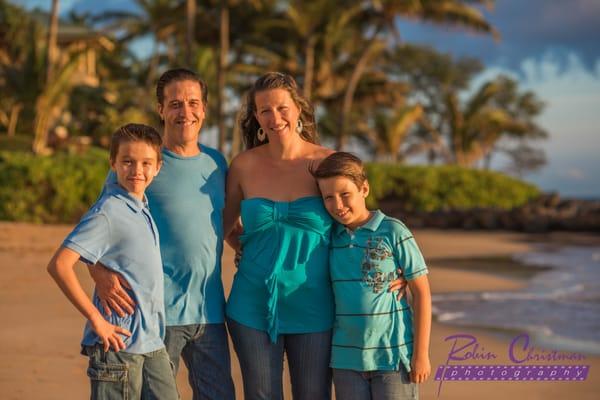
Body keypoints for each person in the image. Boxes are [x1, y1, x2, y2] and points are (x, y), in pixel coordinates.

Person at [89, 69, 235, 400]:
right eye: (175, 103)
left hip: (210, 312)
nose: (186, 112)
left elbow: (218, 225)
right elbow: (99, 231)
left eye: (193, 103)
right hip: (156, 315)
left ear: (205, 108)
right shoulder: (143, 164)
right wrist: (98, 272)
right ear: (161, 109)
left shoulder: (216, 163)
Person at [222, 72, 335, 399]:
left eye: (282, 108)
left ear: (298, 109)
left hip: (315, 304)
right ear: (256, 117)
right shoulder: (243, 165)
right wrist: (246, 248)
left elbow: (357, 223)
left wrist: (388, 267)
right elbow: (223, 226)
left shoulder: (327, 163)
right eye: (265, 110)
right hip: (251, 304)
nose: (275, 117)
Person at [47, 124, 178, 399]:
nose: (137, 171)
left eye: (146, 163)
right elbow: (59, 264)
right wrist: (97, 319)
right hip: (119, 345)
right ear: (113, 163)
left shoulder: (140, 206)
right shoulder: (108, 211)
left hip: (152, 343)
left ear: (158, 167)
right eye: (127, 162)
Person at [310, 152, 432, 400]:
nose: (338, 205)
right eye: (328, 198)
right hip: (346, 359)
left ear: (364, 189)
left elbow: (422, 293)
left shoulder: (393, 230)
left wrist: (421, 354)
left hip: (393, 357)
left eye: (345, 194)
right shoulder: (330, 238)